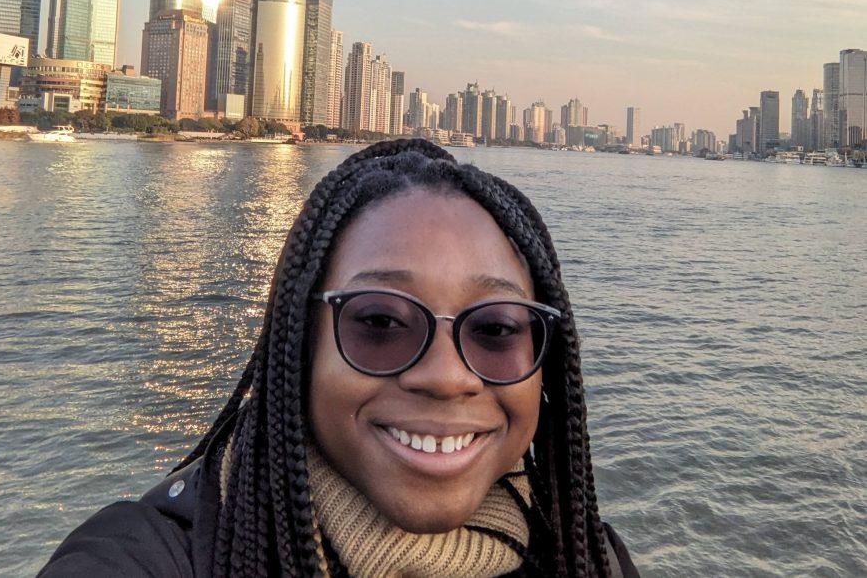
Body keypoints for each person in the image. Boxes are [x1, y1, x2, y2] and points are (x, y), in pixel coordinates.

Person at [38, 139, 639, 578]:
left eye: (497, 328)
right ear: (301, 343)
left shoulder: (589, 557)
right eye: (380, 322)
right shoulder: (147, 557)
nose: (446, 376)